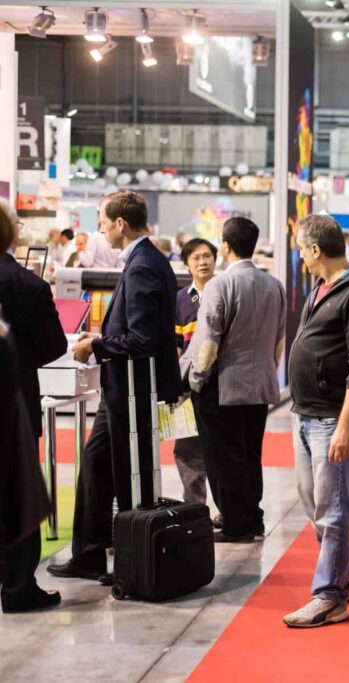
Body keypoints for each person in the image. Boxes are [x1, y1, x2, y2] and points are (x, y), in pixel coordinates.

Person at [50, 191, 182, 583]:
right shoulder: (148, 259)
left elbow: (141, 339)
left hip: (132, 388)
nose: (100, 229)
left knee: (129, 475)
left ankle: (128, 560)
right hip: (124, 387)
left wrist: (97, 345)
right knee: (97, 465)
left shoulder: (143, 265)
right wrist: (105, 336)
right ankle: (91, 555)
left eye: (103, 222)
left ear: (121, 224)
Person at [283, 215, 349, 628]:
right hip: (304, 413)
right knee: (314, 503)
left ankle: (330, 595)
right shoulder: (320, 289)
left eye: (301, 248)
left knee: (334, 508)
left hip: (329, 418)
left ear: (314, 249)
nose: (301, 256)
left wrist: (346, 424)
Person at [185, 217, 287, 542]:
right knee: (249, 453)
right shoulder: (274, 285)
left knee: (223, 458)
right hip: (260, 384)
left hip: (224, 385)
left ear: (225, 246)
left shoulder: (219, 285)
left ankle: (235, 524)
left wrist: (196, 380)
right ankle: (251, 518)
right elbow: (279, 341)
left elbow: (208, 342)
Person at [0, 203, 65, 613]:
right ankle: (19, 586)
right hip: (14, 405)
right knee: (18, 489)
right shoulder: (28, 285)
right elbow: (55, 346)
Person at [172, 238, 217, 506]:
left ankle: (230, 512)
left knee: (221, 452)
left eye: (207, 256)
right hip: (188, 388)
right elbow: (176, 346)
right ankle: (195, 509)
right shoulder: (180, 300)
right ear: (187, 265)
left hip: (220, 386)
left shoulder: (225, 290)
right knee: (188, 452)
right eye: (196, 258)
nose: (203, 262)